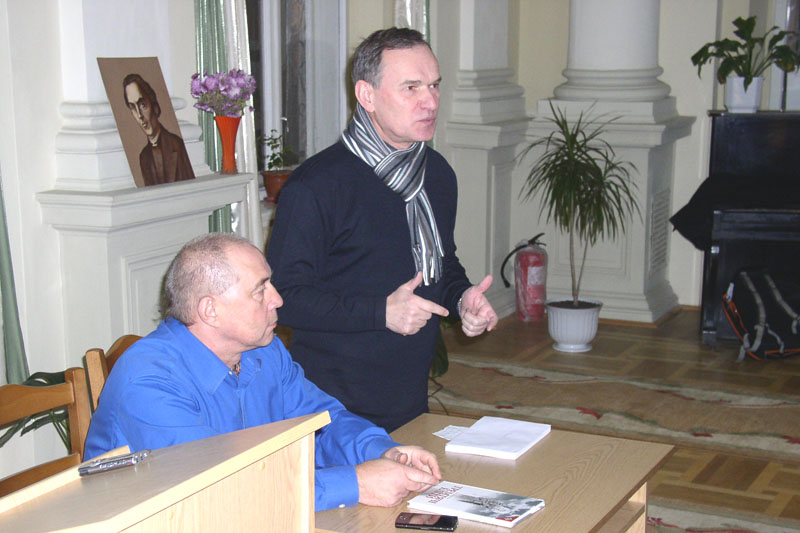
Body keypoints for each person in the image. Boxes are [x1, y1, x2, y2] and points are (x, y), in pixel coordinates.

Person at [84, 233, 441, 511]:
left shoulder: (263, 351)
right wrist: (357, 484)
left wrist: (380, 451)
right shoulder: (148, 382)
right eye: (260, 290)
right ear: (210, 310)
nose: (278, 299)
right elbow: (220, 487)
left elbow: (322, 421)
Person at [267, 27, 498, 433]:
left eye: (434, 85)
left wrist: (462, 298)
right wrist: (381, 312)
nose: (430, 101)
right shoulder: (316, 186)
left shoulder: (436, 174)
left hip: (409, 392)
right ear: (367, 95)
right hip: (332, 404)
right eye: (411, 88)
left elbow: (438, 264)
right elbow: (283, 299)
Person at [122, 73, 195, 186]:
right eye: (133, 108)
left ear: (155, 107)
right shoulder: (144, 157)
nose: (140, 115)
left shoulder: (177, 145)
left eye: (142, 105)